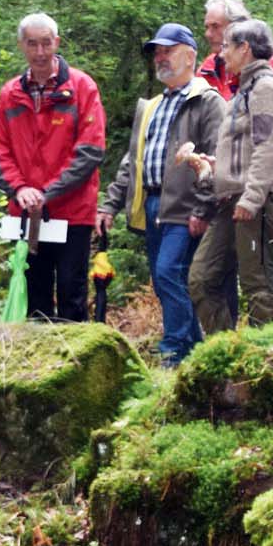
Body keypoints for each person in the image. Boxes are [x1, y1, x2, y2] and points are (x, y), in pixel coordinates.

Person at [98, 23, 226, 365]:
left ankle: (173, 351)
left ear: (190, 56)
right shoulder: (151, 106)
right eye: (157, 52)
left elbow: (217, 158)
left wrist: (202, 207)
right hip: (152, 204)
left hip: (186, 208)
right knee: (163, 279)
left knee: (170, 273)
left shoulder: (207, 101)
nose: (160, 58)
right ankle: (193, 353)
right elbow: (132, 161)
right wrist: (109, 204)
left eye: (168, 50)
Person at [0, 12, 107, 320]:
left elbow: (90, 151)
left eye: (45, 43)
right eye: (32, 44)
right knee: (34, 293)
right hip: (27, 214)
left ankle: (76, 364)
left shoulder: (82, 88)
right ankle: (40, 365)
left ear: (57, 42)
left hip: (73, 213)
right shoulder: (10, 94)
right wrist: (20, 189)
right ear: (21, 46)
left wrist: (48, 192)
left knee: (72, 293)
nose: (40, 52)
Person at [189, 19, 273, 331]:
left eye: (226, 47)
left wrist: (252, 198)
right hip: (232, 199)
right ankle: (225, 356)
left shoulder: (265, 89)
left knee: (257, 283)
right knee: (202, 278)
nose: (221, 55)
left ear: (245, 49)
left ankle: (267, 362)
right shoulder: (241, 94)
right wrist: (213, 167)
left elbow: (268, 147)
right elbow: (244, 152)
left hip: (259, 198)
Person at [199, 0, 273, 99]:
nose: (208, 34)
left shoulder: (270, 64)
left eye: (215, 26)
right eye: (207, 27)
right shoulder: (208, 67)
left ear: (237, 27)